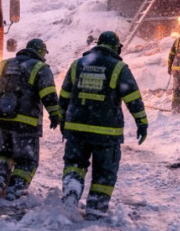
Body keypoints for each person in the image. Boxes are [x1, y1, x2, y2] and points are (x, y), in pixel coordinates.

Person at [58, 31, 148, 220]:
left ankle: (72, 189)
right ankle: (96, 209)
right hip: (106, 132)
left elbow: (64, 96)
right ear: (116, 47)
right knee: (104, 171)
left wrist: (62, 120)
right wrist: (142, 122)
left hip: (76, 129)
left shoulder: (78, 65)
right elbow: (133, 98)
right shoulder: (118, 68)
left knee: (75, 164)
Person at [0, 38, 61, 200]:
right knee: (26, 159)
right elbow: (48, 95)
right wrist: (55, 115)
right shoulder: (40, 68)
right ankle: (16, 188)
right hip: (25, 123)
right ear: (41, 52)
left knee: (3, 152)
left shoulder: (4, 64)